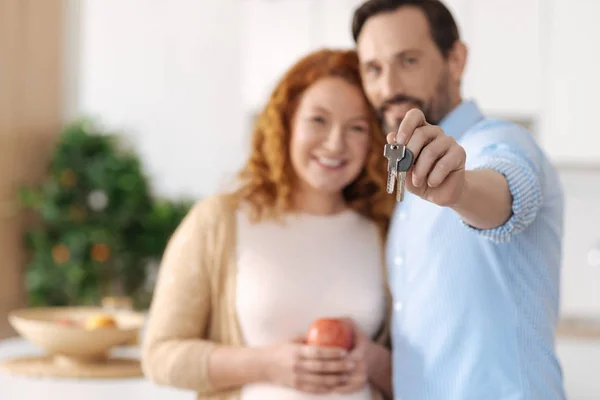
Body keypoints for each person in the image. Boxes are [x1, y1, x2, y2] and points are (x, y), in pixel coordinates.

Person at [142, 49, 396, 400]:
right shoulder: (219, 221)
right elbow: (160, 356)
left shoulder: (383, 231)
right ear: (287, 121)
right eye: (318, 121)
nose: (336, 143)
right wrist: (265, 364)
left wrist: (375, 363)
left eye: (356, 128)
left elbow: (429, 374)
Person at [351, 0, 566, 399]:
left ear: (456, 59)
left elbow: (507, 190)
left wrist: (462, 190)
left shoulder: (500, 143)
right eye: (374, 69)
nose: (389, 87)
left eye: (408, 60)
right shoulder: (406, 183)